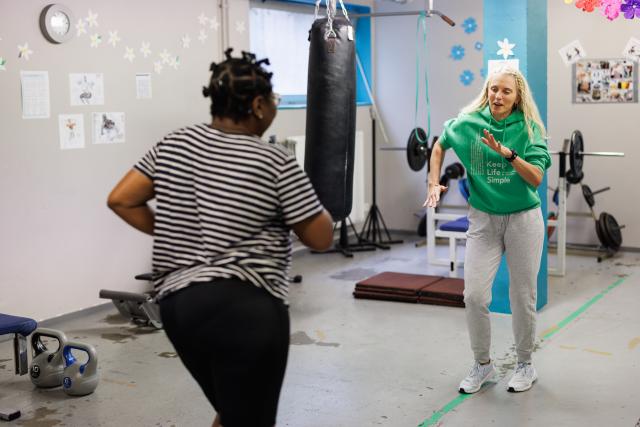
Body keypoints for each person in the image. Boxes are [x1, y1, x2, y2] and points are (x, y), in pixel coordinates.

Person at [107, 48, 334, 427]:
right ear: (259, 105)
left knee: (232, 413)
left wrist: (174, 230)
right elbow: (321, 237)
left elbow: (121, 199)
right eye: (274, 100)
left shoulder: (174, 143)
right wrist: (313, 200)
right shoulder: (273, 160)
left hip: (179, 308)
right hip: (247, 309)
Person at [425, 66, 551, 394]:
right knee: (474, 296)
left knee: (522, 296)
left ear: (517, 96)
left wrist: (507, 154)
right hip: (483, 220)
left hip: (523, 219)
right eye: (494, 89)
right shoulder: (469, 122)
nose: (498, 95)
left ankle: (525, 364)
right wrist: (433, 179)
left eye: (506, 91)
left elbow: (536, 178)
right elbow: (440, 144)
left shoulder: (529, 128)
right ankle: (483, 365)